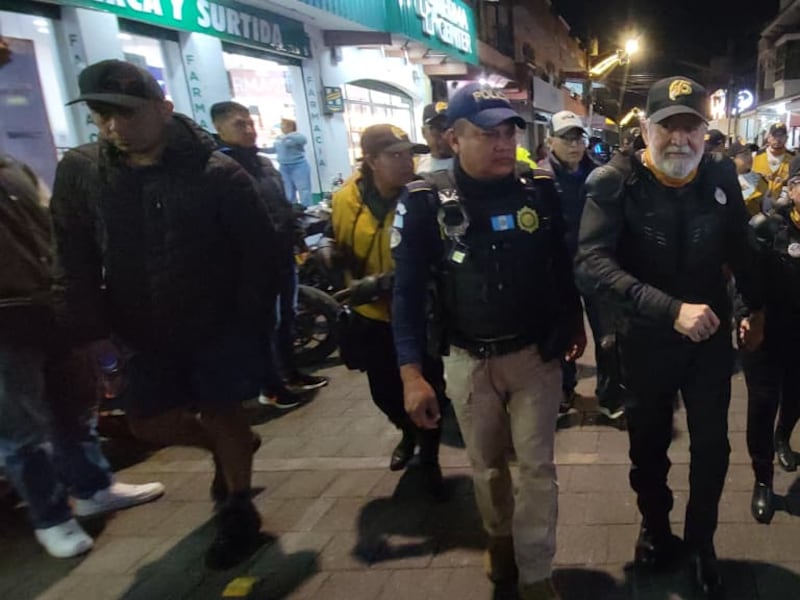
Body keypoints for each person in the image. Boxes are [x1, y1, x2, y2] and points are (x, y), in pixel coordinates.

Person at [50, 60, 278, 569]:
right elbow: (73, 255)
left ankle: (237, 509)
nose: (114, 126)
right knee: (148, 423)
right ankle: (231, 448)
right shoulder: (83, 171)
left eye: (126, 114)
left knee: (223, 412)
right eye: (102, 115)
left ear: (162, 108)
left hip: (219, 323)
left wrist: (250, 322)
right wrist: (90, 332)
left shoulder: (218, 172)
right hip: (139, 326)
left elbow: (261, 253)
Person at [392, 83, 585, 600]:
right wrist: (411, 373)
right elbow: (406, 295)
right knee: (487, 466)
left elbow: (561, 265)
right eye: (486, 134)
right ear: (454, 139)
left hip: (533, 357)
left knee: (538, 468)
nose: (502, 144)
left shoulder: (537, 189)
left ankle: (538, 571)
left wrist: (574, 320)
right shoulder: (424, 201)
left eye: (507, 133)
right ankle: (499, 536)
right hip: (467, 360)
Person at [575, 76, 765, 599]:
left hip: (708, 341)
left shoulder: (720, 178)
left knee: (712, 448)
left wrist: (753, 308)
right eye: (668, 126)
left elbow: (743, 252)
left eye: (691, 127)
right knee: (649, 448)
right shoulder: (614, 183)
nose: (680, 139)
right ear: (644, 129)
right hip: (644, 339)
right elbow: (591, 264)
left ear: (707, 132)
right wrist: (670, 309)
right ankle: (654, 529)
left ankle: (702, 541)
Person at [0, 152, 163, 558]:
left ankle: (93, 489)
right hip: (5, 327)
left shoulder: (13, 169)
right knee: (23, 434)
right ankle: (51, 517)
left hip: (52, 311)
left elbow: (58, 232)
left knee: (75, 410)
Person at [330, 124, 446, 499]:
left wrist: (384, 282)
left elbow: (436, 260)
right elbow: (335, 238)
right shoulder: (345, 198)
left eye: (407, 154)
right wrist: (328, 251)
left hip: (416, 314)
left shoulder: (424, 197)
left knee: (429, 389)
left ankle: (429, 459)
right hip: (371, 318)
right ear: (370, 161)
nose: (405, 162)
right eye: (394, 155)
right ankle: (407, 431)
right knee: (383, 392)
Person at [211, 101, 328, 408]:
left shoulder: (263, 164)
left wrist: (298, 238)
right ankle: (270, 386)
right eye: (239, 125)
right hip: (250, 263)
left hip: (281, 255)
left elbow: (281, 206)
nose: (248, 130)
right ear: (219, 128)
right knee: (263, 325)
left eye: (250, 123)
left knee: (287, 318)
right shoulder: (218, 168)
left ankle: (290, 373)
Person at [739, 171, 800, 524]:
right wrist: (745, 315)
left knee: (795, 396)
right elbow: (743, 280)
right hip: (767, 333)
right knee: (762, 405)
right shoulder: (766, 227)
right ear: (791, 190)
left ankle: (783, 438)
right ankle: (763, 480)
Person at [538, 111, 604, 418]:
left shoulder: (600, 175)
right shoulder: (539, 179)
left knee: (607, 331)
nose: (574, 145)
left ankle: (609, 390)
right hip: (556, 269)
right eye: (566, 138)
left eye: (579, 137)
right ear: (550, 141)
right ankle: (565, 388)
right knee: (562, 330)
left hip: (595, 266)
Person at [268, 118, 313, 207]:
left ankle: (307, 209)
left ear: (290, 126)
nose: (281, 127)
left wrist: (288, 136)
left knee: (304, 190)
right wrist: (259, 149)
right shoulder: (279, 138)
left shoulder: (297, 136)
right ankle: (292, 210)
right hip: (284, 167)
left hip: (299, 166)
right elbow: (274, 150)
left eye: (283, 125)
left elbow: (303, 140)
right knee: (288, 191)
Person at [752, 122, 794, 202]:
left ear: (786, 138)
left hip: (782, 209)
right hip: (755, 207)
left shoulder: (793, 159)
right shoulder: (755, 156)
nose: (778, 139)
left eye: (781, 136)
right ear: (768, 138)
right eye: (775, 135)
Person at [729, 141, 769, 216]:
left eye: (750, 153)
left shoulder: (760, 180)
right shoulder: (724, 179)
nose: (750, 157)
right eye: (745, 154)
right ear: (732, 159)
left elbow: (767, 207)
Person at [416, 102, 454, 174]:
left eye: (448, 127)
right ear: (423, 132)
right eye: (435, 129)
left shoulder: (471, 165)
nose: (444, 135)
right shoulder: (414, 166)